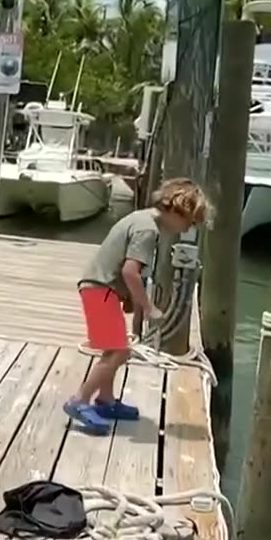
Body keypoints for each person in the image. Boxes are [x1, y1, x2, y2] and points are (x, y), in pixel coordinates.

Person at [66, 178, 210, 435]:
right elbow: (131, 272)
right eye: (190, 222)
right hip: (101, 289)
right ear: (177, 210)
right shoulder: (148, 231)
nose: (187, 229)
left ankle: (106, 400)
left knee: (114, 348)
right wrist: (149, 307)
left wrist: (129, 299)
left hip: (100, 287)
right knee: (119, 352)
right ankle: (80, 399)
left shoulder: (141, 218)